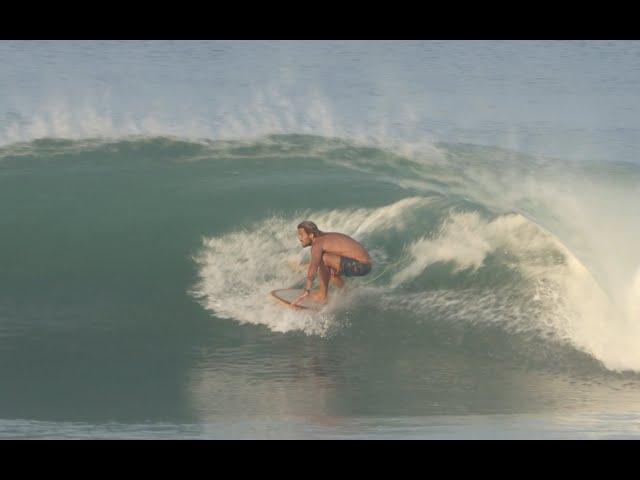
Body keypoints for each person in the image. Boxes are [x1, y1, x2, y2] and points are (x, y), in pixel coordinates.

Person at [291, 221, 372, 307]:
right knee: (330, 271)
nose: (299, 238)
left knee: (323, 259)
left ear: (311, 235)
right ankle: (348, 293)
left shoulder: (318, 243)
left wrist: (306, 290)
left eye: (301, 235)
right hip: (364, 264)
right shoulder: (327, 237)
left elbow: (313, 267)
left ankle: (322, 296)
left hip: (361, 265)